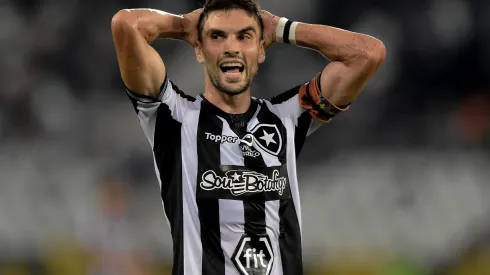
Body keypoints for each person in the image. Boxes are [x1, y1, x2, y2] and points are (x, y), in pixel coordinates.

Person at [111, 0, 385, 274]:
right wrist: (182, 25)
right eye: (217, 36)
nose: (232, 47)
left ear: (261, 49)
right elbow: (125, 25)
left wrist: (282, 28)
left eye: (244, 36)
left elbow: (368, 54)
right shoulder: (174, 118)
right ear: (199, 49)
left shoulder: (288, 116)